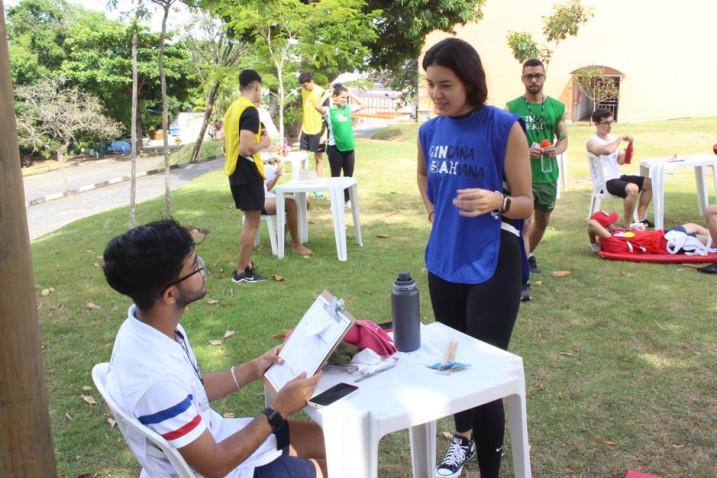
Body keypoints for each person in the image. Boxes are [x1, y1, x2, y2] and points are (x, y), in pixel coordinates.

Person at [102, 219, 326, 478]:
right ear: (170, 295)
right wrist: (280, 409)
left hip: (215, 438)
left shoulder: (149, 326)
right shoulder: (156, 379)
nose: (202, 268)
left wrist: (254, 368)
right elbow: (215, 466)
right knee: (344, 464)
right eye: (193, 266)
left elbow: (192, 389)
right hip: (217, 465)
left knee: (335, 441)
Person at [417, 38, 533, 478]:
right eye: (430, 85)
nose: (437, 94)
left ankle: (490, 470)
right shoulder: (429, 131)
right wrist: (432, 208)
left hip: (492, 260)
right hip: (443, 259)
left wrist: (496, 200)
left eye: (445, 84)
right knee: (452, 362)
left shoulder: (503, 127)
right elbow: (424, 174)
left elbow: (526, 203)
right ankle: (460, 442)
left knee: (484, 375)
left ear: (470, 80)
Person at [506, 58, 568, 300]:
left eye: (538, 75)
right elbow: (504, 139)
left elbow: (563, 137)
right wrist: (522, 150)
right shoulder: (511, 108)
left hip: (547, 174)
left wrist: (557, 148)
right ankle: (522, 279)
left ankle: (527, 255)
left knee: (541, 222)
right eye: (529, 75)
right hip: (521, 175)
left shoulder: (556, 107)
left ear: (544, 77)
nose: (533, 79)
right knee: (524, 224)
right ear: (523, 78)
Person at [224, 70, 271, 284]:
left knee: (249, 220)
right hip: (247, 170)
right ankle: (241, 271)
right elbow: (245, 148)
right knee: (252, 222)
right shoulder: (250, 111)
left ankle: (248, 264)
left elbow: (227, 144)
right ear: (257, 86)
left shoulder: (232, 109)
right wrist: (264, 144)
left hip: (235, 170)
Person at [587, 108, 653, 227]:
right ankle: (627, 226)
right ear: (596, 124)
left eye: (611, 122)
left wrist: (628, 152)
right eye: (605, 123)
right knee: (633, 188)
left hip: (617, 177)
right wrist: (620, 139)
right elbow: (607, 150)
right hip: (604, 182)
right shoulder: (592, 142)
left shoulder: (612, 139)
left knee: (649, 183)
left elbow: (620, 161)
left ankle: (641, 218)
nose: (609, 126)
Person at [588, 207, 717, 256]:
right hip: (669, 242)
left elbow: (593, 227)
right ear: (603, 228)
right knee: (710, 242)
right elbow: (591, 224)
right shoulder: (614, 244)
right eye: (609, 223)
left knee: (695, 226)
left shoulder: (615, 234)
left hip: (665, 234)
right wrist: (595, 244)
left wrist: (595, 243)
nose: (613, 224)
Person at [315, 83, 366, 206]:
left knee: (348, 177)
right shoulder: (328, 111)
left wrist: (351, 94)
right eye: (342, 97)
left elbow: (363, 105)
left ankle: (346, 200)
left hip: (349, 148)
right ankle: (336, 202)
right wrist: (326, 95)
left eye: (345, 98)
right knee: (336, 177)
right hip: (334, 148)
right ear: (335, 97)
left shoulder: (348, 109)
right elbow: (317, 106)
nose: (344, 100)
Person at [263, 159, 314, 255]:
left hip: (267, 195)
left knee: (304, 202)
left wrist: (277, 176)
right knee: (291, 203)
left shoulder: (258, 161)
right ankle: (297, 245)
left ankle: (282, 234)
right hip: (257, 199)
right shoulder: (247, 161)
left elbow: (267, 187)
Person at [299, 72, 326, 183]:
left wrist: (325, 134)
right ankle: (302, 183)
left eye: (306, 85)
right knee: (302, 158)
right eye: (302, 86)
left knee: (318, 158)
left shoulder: (322, 92)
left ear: (311, 81)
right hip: (305, 129)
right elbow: (305, 111)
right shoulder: (303, 92)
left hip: (318, 129)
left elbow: (326, 114)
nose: (304, 87)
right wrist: (301, 129)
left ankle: (318, 185)